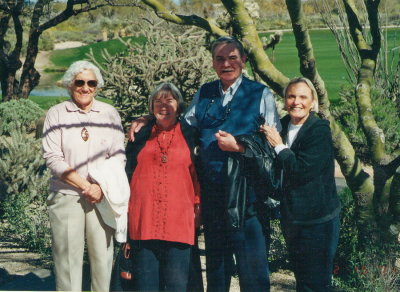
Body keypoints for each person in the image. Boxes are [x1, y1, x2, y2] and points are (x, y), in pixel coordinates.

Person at [129, 36, 281, 292]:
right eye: (220, 58)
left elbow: (272, 145)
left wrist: (240, 147)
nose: (226, 64)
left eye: (232, 58)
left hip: (246, 196)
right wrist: (149, 117)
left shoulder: (259, 94)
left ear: (243, 61)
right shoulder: (205, 93)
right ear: (213, 63)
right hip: (213, 195)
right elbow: (180, 124)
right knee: (216, 269)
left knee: (252, 271)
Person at [42, 60, 127, 291]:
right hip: (67, 196)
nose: (85, 87)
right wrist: (85, 185)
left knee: (103, 259)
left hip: (102, 197)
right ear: (70, 84)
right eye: (80, 82)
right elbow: (52, 157)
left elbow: (118, 156)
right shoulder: (56, 114)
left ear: (97, 86)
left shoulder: (109, 114)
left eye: (91, 82)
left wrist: (99, 187)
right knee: (68, 262)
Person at [261, 77, 341, 292]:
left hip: (318, 221)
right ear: (284, 100)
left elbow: (300, 170)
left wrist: (279, 146)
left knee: (316, 284)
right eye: (291, 96)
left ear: (313, 102)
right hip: (293, 218)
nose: (297, 102)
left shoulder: (319, 130)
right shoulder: (283, 125)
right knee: (302, 280)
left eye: (303, 97)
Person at [125, 83, 201, 291]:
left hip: (179, 222)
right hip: (144, 220)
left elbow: (198, 176)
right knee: (145, 286)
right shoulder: (139, 135)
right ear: (150, 107)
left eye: (169, 100)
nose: (163, 105)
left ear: (179, 105)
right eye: (157, 101)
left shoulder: (191, 134)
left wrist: (198, 207)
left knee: (177, 286)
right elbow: (127, 173)